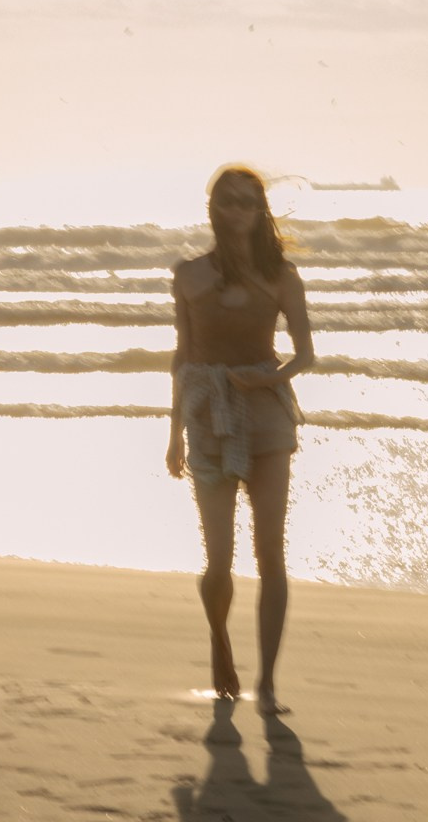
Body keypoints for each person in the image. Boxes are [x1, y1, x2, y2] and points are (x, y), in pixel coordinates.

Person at [166, 163, 315, 715]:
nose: (238, 210)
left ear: (261, 212)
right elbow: (182, 358)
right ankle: (220, 645)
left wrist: (270, 377)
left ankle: (269, 683)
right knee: (219, 562)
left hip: (267, 417)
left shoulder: (281, 277)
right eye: (229, 201)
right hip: (207, 415)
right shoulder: (189, 276)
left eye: (249, 202)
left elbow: (305, 353)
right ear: (214, 207)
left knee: (271, 553)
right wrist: (173, 433)